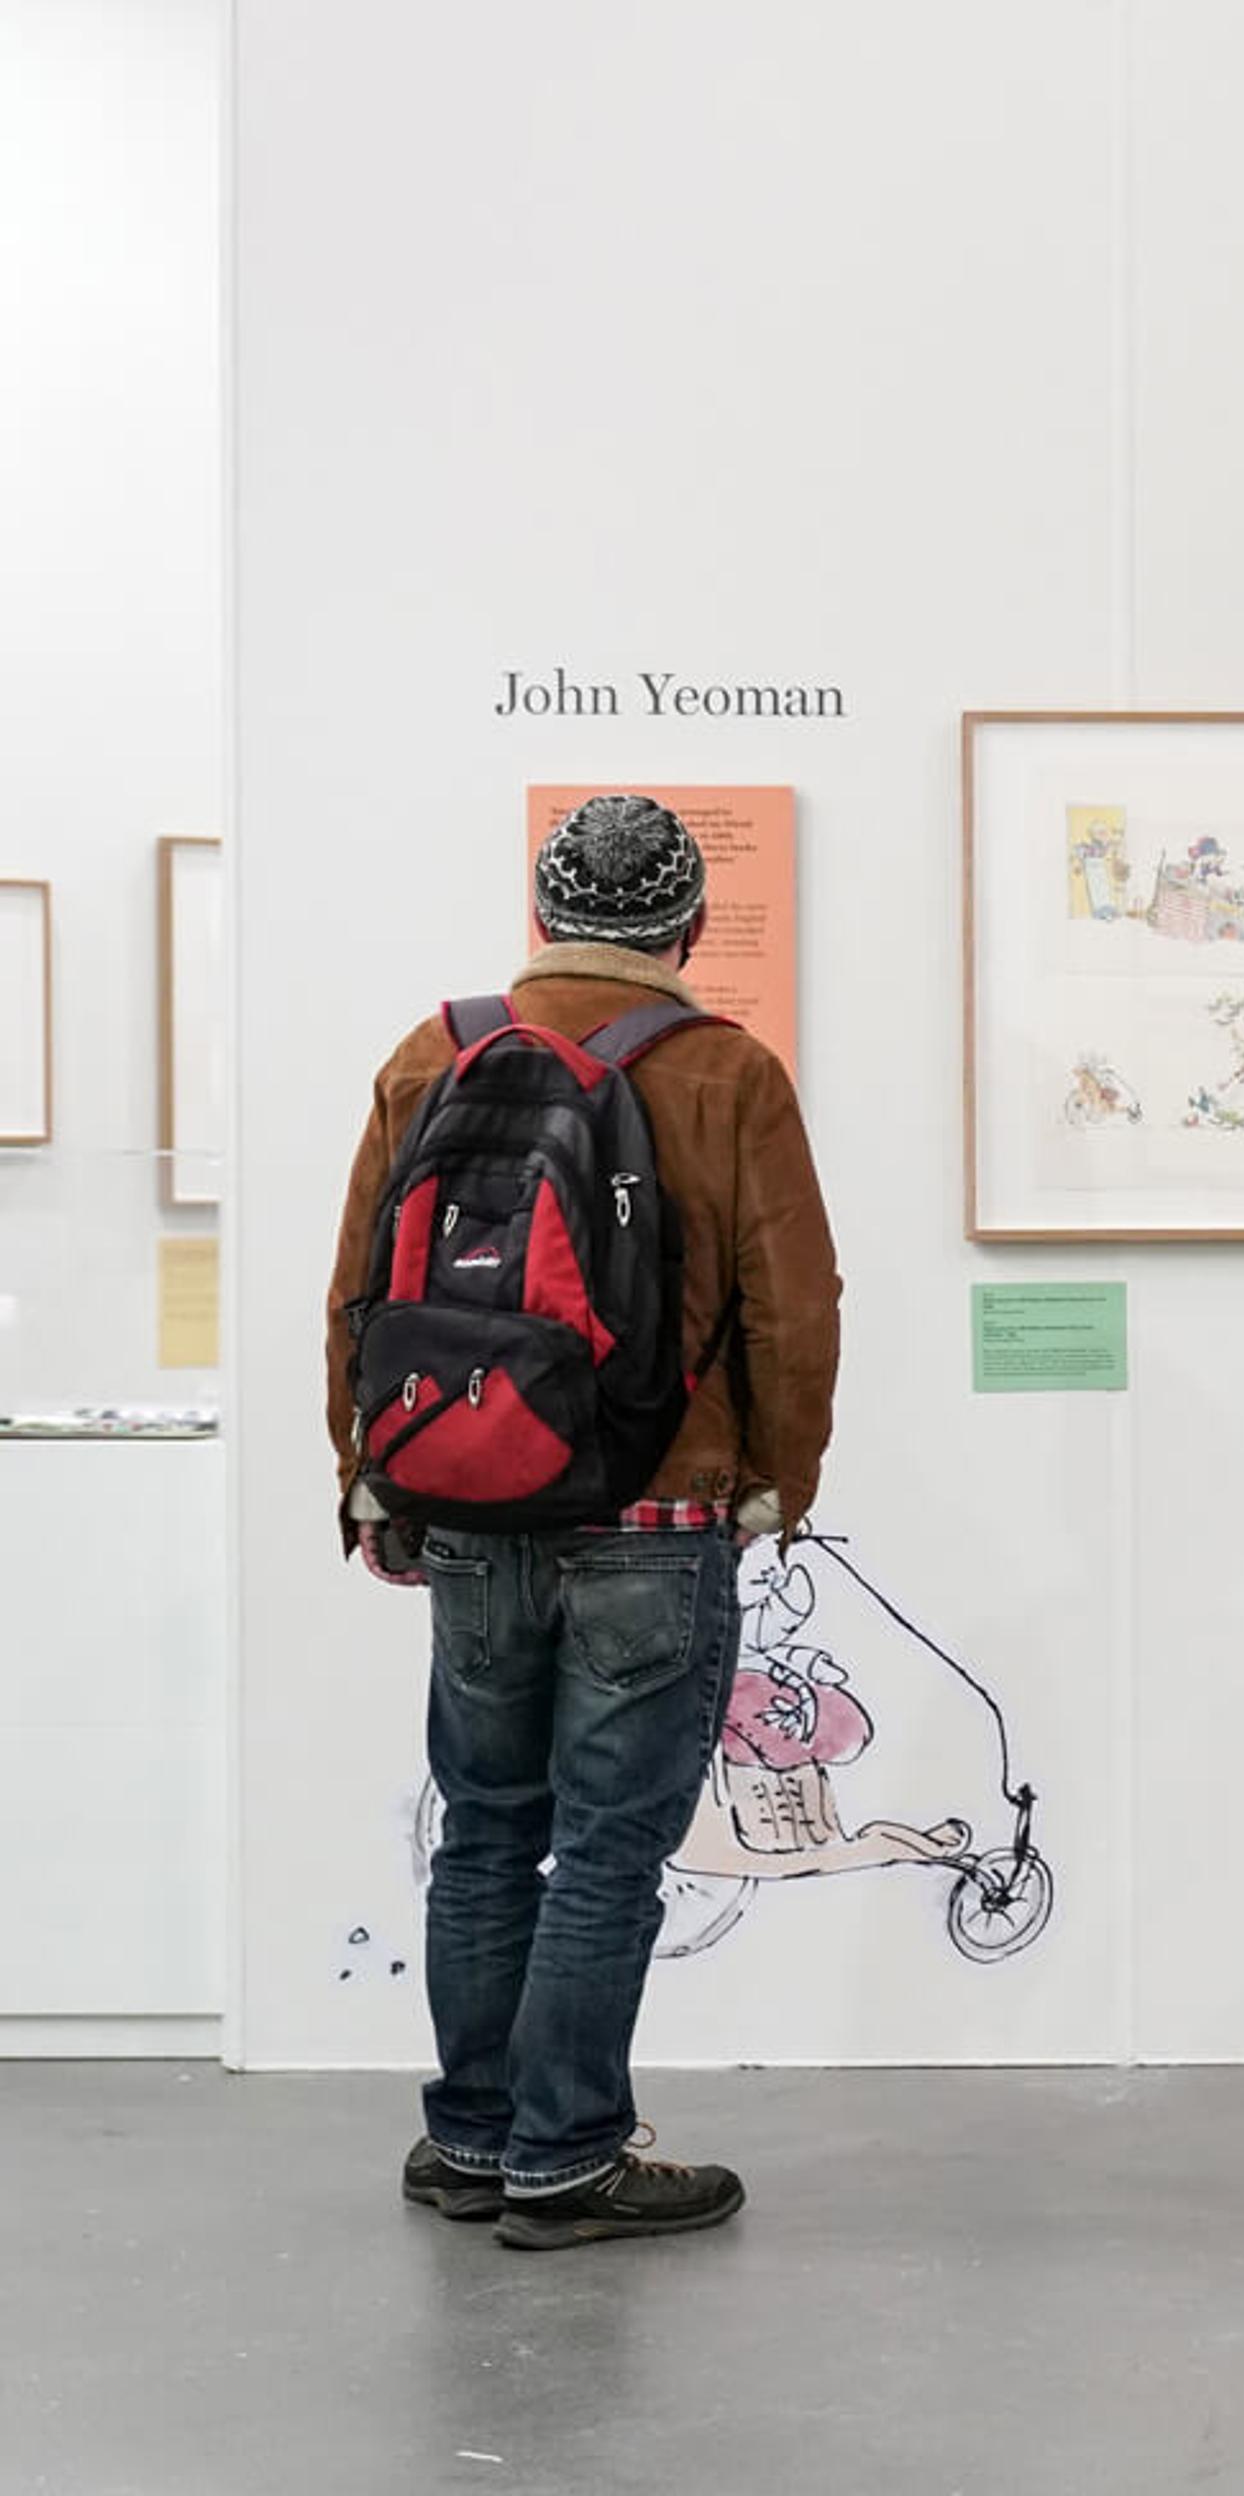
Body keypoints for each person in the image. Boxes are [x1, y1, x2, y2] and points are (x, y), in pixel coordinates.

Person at [330, 794, 843, 2250]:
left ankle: (474, 2139)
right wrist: (777, 1484)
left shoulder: (433, 1052)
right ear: (686, 924)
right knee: (610, 1848)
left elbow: (358, 1292)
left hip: (472, 1500)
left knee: (489, 1827)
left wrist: (369, 1473)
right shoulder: (727, 1072)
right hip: (656, 1509)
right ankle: (567, 2153)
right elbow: (792, 1307)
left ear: (543, 911)